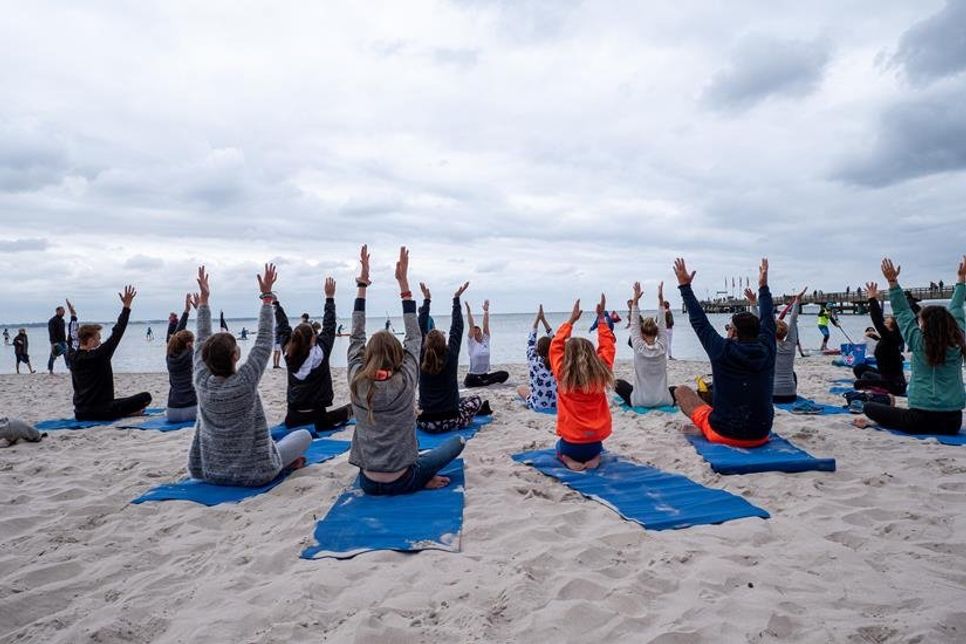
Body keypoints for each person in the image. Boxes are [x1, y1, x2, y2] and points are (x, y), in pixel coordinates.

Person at [348, 245, 465, 495]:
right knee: (456, 444)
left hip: (367, 482)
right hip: (404, 478)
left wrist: (363, 285)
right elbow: (414, 336)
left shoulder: (356, 381)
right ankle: (421, 478)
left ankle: (418, 475)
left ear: (368, 355)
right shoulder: (406, 380)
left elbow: (355, 336)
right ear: (398, 356)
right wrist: (404, 285)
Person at [188, 264, 312, 486]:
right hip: (254, 472)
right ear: (235, 356)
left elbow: (200, 341)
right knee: (304, 435)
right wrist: (267, 298)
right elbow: (264, 340)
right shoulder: (244, 381)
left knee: (277, 440)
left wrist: (204, 303)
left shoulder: (202, 381)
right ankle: (286, 463)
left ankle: (283, 459)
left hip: (211, 470)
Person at [671, 257, 776, 447]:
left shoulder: (722, 350)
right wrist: (763, 287)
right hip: (761, 434)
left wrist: (684, 287)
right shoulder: (768, 347)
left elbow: (699, 322)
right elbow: (768, 317)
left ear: (734, 332)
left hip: (724, 433)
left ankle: (703, 427)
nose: (727, 330)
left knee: (682, 391)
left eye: (729, 327)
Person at [854, 258, 964, 435]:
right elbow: (957, 310)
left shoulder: (917, 341)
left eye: (921, 322)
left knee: (869, 408)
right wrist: (961, 281)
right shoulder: (959, 342)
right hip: (953, 422)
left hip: (919, 418)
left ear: (925, 325)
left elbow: (903, 313)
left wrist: (892, 282)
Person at [274, 278, 353, 432]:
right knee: (348, 410)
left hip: (293, 417)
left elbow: (283, 328)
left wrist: (275, 304)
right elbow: (329, 327)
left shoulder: (288, 354)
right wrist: (329, 298)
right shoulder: (321, 352)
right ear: (313, 338)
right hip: (317, 416)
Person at [550, 294, 616, 471]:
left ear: (568, 357)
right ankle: (595, 457)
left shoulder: (563, 375)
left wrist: (570, 321)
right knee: (595, 447)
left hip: (571, 443)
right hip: (594, 442)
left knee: (559, 447)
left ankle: (567, 459)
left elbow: (555, 345)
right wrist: (602, 319)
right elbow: (608, 346)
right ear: (593, 356)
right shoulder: (601, 373)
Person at [71, 286, 152, 421]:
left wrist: (73, 316)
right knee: (146, 397)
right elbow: (117, 332)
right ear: (90, 340)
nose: (100, 341)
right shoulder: (99, 355)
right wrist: (126, 307)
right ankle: (127, 413)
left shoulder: (72, 357)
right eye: (98, 338)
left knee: (120, 403)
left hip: (80, 412)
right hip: (102, 410)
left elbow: (71, 337)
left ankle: (127, 412)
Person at [416, 280, 487, 432]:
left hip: (426, 423)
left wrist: (426, 301)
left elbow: (419, 328)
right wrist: (456, 300)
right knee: (475, 400)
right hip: (452, 420)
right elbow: (457, 328)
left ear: (425, 344)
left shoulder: (421, 356)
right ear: (444, 343)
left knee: (415, 404)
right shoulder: (451, 354)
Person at [615, 281, 673, 408]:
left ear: (641, 333)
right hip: (663, 400)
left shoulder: (638, 346)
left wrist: (635, 299)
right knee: (677, 389)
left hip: (639, 401)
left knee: (617, 383)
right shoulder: (663, 346)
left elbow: (634, 323)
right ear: (657, 332)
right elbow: (662, 322)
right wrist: (660, 299)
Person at [852, 281, 907, 396]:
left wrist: (872, 299)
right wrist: (871, 335)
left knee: (858, 383)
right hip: (885, 377)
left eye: (886, 324)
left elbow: (877, 319)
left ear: (892, 329)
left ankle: (878, 389)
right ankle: (875, 385)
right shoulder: (889, 339)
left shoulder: (891, 338)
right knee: (859, 368)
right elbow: (881, 335)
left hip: (895, 385)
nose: (883, 324)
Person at [517, 305, 558, 411]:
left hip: (537, 405)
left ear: (538, 349)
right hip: (556, 404)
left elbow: (531, 340)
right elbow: (556, 341)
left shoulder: (533, 361)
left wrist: (537, 320)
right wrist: (544, 320)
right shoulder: (557, 361)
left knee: (521, 389)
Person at [166, 293, 197, 423]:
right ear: (189, 343)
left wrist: (186, 311)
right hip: (193, 410)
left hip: (172, 412)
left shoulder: (169, 356)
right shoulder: (192, 355)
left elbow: (175, 336)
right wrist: (198, 310)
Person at [772, 287, 807, 403]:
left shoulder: (769, 345)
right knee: (793, 374)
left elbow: (758, 322)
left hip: (773, 395)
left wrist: (753, 304)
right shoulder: (791, 345)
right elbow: (793, 319)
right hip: (791, 394)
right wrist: (797, 301)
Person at [464, 300, 510, 387]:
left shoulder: (486, 340)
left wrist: (486, 311)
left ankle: (485, 382)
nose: (477, 331)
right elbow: (471, 324)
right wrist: (469, 312)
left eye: (478, 330)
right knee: (471, 381)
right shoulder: (472, 343)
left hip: (484, 375)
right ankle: (484, 382)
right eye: (475, 330)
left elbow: (485, 324)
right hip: (473, 376)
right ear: (473, 333)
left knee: (504, 374)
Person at [47, 305, 69, 373]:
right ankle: (50, 369)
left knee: (66, 353)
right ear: (57, 311)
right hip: (56, 341)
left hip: (63, 340)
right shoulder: (52, 320)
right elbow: (51, 332)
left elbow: (63, 331)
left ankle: (69, 367)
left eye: (64, 311)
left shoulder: (62, 320)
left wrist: (66, 340)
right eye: (62, 311)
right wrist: (53, 343)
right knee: (53, 356)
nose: (63, 313)